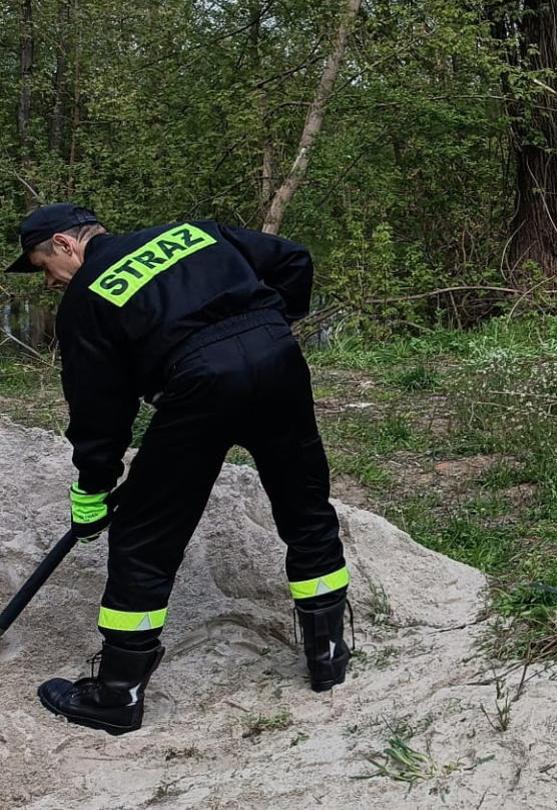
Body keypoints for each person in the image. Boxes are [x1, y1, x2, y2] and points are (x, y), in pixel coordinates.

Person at [7, 203, 351, 736]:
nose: (51, 282)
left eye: (45, 267)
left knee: (145, 537)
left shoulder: (87, 295)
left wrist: (94, 485)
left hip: (199, 386)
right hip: (278, 362)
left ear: (66, 245)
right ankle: (328, 656)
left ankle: (117, 694)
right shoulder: (192, 232)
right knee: (304, 506)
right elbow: (293, 260)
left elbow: (100, 406)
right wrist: (268, 324)